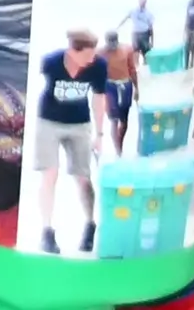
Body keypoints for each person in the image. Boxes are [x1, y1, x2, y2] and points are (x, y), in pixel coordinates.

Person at [36, 32, 113, 250]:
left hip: (80, 123)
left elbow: (99, 98)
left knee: (82, 176)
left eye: (93, 55)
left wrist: (99, 134)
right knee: (49, 174)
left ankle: (90, 225)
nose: (91, 60)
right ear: (72, 51)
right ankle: (47, 231)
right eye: (87, 56)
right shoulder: (51, 63)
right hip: (49, 120)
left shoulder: (98, 66)